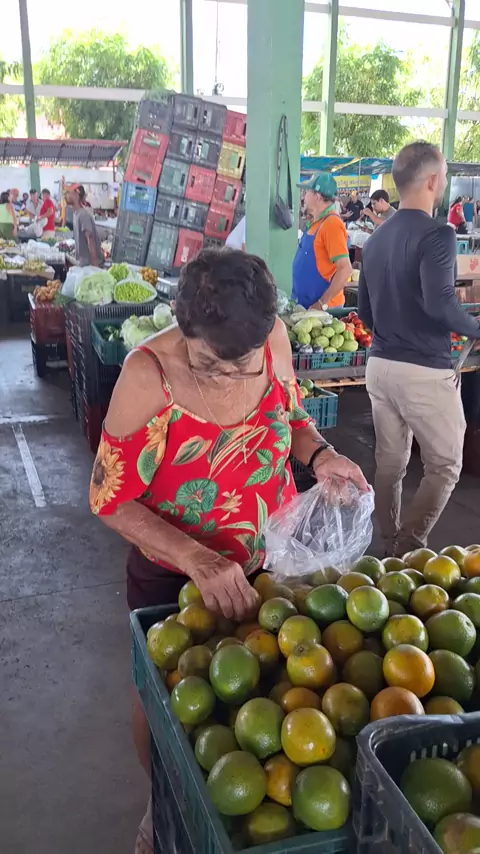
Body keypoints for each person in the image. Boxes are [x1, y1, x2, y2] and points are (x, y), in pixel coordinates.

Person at [89, 248, 367, 854]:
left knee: (253, 698)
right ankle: (160, 801)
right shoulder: (147, 374)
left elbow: (291, 418)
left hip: (269, 563)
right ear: (183, 325)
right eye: (213, 363)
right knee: (168, 702)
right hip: (174, 576)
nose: (234, 376)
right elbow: (109, 498)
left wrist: (321, 456)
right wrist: (198, 559)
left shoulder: (272, 340)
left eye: (246, 364)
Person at [358, 141, 480, 557]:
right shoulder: (438, 233)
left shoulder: (375, 239)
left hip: (380, 367)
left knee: (391, 463)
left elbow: (365, 312)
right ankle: (410, 547)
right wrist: (475, 327)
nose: (444, 182)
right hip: (423, 371)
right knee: (445, 464)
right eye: (443, 175)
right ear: (431, 180)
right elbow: (441, 304)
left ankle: (388, 544)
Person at [293, 172, 352, 309]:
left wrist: (321, 303)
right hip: (307, 305)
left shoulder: (332, 224)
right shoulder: (316, 222)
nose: (303, 197)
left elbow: (345, 269)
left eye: (306, 192)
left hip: (324, 310)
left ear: (317, 196)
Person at [65, 183, 104, 267]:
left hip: (89, 265)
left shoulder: (83, 215)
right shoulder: (76, 214)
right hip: (84, 263)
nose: (66, 195)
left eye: (68, 192)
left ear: (76, 195)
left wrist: (94, 265)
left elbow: (90, 238)